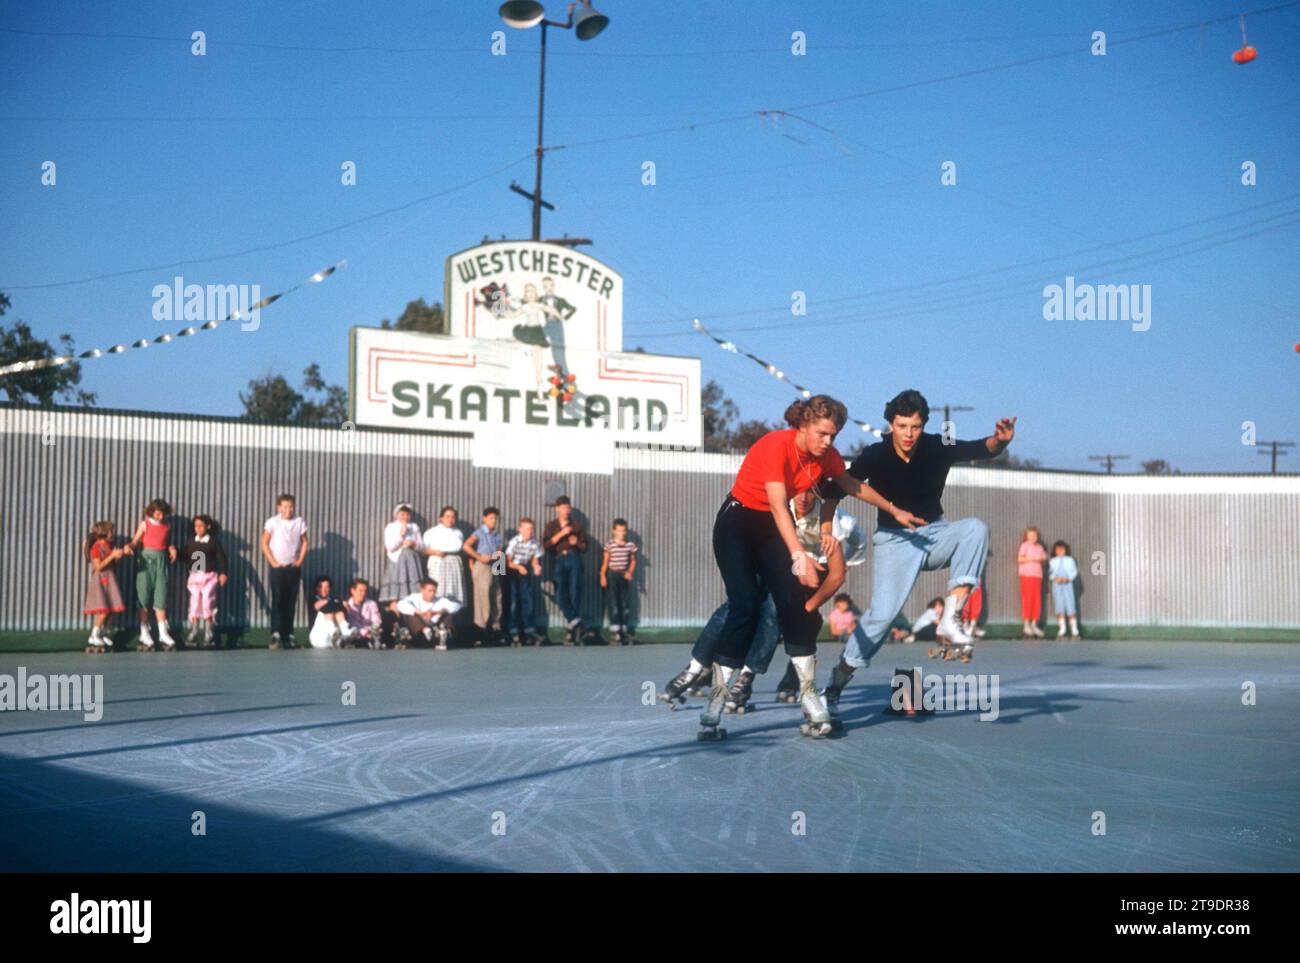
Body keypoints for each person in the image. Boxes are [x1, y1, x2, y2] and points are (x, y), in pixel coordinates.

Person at [698, 394, 905, 739]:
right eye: (822, 434)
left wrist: (894, 509)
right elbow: (780, 507)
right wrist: (798, 555)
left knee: (796, 606)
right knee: (745, 605)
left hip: (770, 529)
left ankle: (808, 695)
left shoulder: (827, 458)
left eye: (834, 436)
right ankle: (716, 700)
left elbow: (853, 486)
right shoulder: (774, 446)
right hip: (737, 523)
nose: (828, 442)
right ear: (803, 425)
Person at [819, 389, 1017, 710]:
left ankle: (951, 618)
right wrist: (826, 529)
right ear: (890, 425)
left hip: (934, 533)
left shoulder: (939, 446)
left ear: (923, 424)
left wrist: (1001, 440)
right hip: (895, 542)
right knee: (880, 620)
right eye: (901, 427)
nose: (909, 434)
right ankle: (837, 681)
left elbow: (982, 448)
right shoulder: (874, 454)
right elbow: (833, 491)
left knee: (975, 528)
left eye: (915, 426)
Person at [660, 485, 866, 712]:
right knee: (736, 607)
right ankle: (695, 668)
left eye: (810, 493)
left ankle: (746, 679)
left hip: (804, 574)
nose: (803, 498)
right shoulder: (779, 505)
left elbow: (859, 540)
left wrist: (843, 562)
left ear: (818, 495)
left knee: (774, 612)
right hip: (771, 564)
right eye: (799, 491)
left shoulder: (836, 520)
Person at [128, 498, 178, 650]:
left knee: (161, 595)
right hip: (146, 561)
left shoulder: (167, 526)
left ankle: (163, 633)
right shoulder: (145, 524)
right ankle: (144, 632)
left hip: (162, 562)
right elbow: (135, 541)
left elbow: (166, 542)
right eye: (157, 514)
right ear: (151, 512)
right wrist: (129, 547)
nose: (160, 517)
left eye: (162, 514)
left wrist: (171, 548)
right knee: (143, 595)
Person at [261, 493, 308, 650]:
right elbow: (264, 543)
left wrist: (300, 560)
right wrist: (273, 562)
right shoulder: (272, 522)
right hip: (278, 569)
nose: (288, 510)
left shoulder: (299, 521)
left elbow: (305, 542)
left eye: (291, 507)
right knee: (278, 601)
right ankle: (276, 635)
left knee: (291, 602)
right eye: (285, 507)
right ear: (279, 508)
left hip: (293, 568)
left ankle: (289, 635)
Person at [542, 496, 590, 644]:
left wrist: (577, 543)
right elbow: (546, 546)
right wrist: (561, 534)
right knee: (559, 595)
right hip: (558, 560)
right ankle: (578, 625)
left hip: (574, 557)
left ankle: (573, 630)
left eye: (568, 508)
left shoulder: (577, 525)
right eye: (563, 508)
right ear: (557, 509)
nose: (566, 511)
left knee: (575, 591)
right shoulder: (550, 526)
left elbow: (585, 547)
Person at [182, 514, 227, 648]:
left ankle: (209, 632)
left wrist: (223, 573)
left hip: (209, 577)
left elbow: (222, 559)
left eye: (201, 526)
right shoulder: (192, 541)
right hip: (195, 577)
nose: (198, 528)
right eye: (196, 526)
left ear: (208, 526)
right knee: (195, 602)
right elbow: (185, 555)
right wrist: (174, 552)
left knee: (208, 601)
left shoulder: (213, 542)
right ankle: (194, 631)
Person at [83, 521, 127, 652]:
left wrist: (117, 557)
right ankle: (94, 634)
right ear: (103, 533)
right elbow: (98, 566)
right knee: (104, 610)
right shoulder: (96, 547)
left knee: (111, 609)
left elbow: (112, 563)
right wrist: (112, 555)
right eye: (110, 531)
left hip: (110, 579)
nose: (112, 533)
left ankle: (103, 633)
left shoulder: (108, 546)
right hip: (101, 580)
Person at [464, 506, 505, 645]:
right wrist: (479, 557)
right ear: (484, 519)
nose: (494, 521)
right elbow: (466, 546)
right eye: (491, 518)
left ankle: (495, 627)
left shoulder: (497, 535)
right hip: (482, 566)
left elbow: (499, 552)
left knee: (496, 596)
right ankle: (481, 629)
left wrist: (499, 571)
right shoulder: (479, 532)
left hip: (495, 565)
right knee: (483, 597)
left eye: (495, 519)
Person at [381, 504, 425, 624]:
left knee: (412, 596)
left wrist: (414, 544)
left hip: (412, 564)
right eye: (402, 514)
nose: (405, 517)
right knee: (396, 596)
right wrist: (401, 536)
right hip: (398, 563)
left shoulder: (414, 527)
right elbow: (389, 547)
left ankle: (412, 624)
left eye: (407, 514)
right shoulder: (391, 527)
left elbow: (422, 547)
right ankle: (395, 623)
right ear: (397, 515)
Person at [504, 518, 545, 646]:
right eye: (527, 529)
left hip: (525, 571)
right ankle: (513, 631)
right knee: (514, 602)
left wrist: (536, 567)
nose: (530, 531)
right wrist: (517, 567)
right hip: (512, 571)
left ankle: (529, 631)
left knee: (528, 600)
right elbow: (507, 561)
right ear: (520, 529)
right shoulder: (514, 542)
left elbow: (534, 560)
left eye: (532, 528)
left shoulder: (535, 543)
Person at [600, 518, 638, 645]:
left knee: (625, 603)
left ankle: (625, 630)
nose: (621, 534)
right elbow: (605, 562)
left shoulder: (630, 546)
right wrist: (602, 576)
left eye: (623, 531)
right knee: (614, 603)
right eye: (618, 531)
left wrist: (629, 572)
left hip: (623, 576)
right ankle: (615, 631)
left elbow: (633, 560)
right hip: (612, 575)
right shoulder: (610, 545)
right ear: (613, 531)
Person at [395, 578, 458, 650]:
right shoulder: (414, 597)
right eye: (430, 591)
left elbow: (456, 606)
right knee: (410, 615)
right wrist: (419, 612)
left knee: (448, 614)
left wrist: (437, 612)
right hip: (419, 631)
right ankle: (425, 631)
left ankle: (445, 634)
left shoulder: (440, 600)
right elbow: (400, 604)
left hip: (435, 628)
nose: (432, 594)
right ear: (422, 590)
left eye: (434, 591)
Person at [423, 506, 467, 609]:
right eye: (447, 516)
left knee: (454, 591)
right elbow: (423, 550)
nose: (450, 519)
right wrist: (435, 552)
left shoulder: (458, 533)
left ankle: (452, 619)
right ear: (441, 518)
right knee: (437, 591)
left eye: (452, 517)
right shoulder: (432, 532)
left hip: (454, 564)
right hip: (438, 563)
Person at [1019, 527, 1047, 637]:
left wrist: (1042, 557)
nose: (1032, 538)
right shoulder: (1024, 545)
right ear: (1026, 537)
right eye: (1030, 536)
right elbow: (1020, 559)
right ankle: (1026, 624)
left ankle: (1034, 624)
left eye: (1034, 536)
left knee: (1037, 600)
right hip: (1026, 575)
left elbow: (1044, 556)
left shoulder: (1039, 547)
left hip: (1038, 576)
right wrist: (1033, 559)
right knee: (1028, 599)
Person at [1049, 540, 1081, 638]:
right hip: (1057, 585)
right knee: (1059, 606)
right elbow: (1050, 573)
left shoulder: (1070, 560)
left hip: (1068, 584)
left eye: (1062, 549)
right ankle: (1062, 629)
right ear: (1055, 551)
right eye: (1058, 550)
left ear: (1065, 550)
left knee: (1070, 605)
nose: (1060, 551)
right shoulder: (1052, 561)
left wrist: (1068, 579)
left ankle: (1074, 630)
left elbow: (1074, 571)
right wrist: (1055, 578)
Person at [343, 578, 383, 648]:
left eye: (365, 591)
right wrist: (365, 632)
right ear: (353, 591)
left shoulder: (372, 604)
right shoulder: (347, 605)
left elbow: (377, 620)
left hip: (370, 634)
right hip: (355, 635)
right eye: (360, 591)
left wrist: (372, 630)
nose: (363, 593)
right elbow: (351, 623)